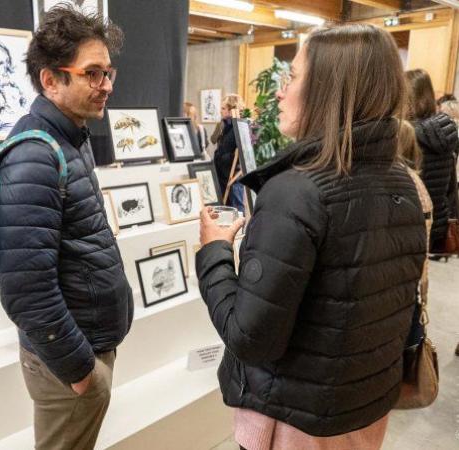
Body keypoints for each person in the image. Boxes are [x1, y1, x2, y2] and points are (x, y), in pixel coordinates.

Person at [196, 24, 426, 450]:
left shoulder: (296, 192)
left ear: (327, 89)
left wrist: (213, 251)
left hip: (293, 425)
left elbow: (251, 337)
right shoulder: (401, 181)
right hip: (364, 411)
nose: (280, 92)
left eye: (294, 77)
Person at [0, 6, 133, 449]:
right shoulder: (35, 155)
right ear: (51, 80)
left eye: (108, 72)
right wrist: (79, 372)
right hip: (70, 361)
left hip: (85, 345)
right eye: (92, 73)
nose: (106, 85)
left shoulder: (70, 136)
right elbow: (27, 290)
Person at [405, 69, 459, 253]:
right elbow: (451, 187)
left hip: (410, 219)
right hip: (437, 219)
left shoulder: (408, 134)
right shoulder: (446, 135)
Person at [211, 94, 245, 209]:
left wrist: (225, 158)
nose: (220, 111)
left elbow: (238, 153)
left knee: (236, 207)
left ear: (232, 110)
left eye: (223, 108)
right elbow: (213, 140)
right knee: (226, 208)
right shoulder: (225, 125)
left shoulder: (239, 126)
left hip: (233, 175)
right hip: (223, 172)